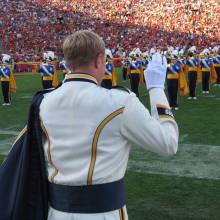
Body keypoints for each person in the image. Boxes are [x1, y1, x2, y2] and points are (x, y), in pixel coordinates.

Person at [0, 30, 178, 220]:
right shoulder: (120, 101)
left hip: (55, 214)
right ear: (98, 60)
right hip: (104, 214)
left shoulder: (43, 102)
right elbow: (168, 143)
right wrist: (157, 89)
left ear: (68, 62)